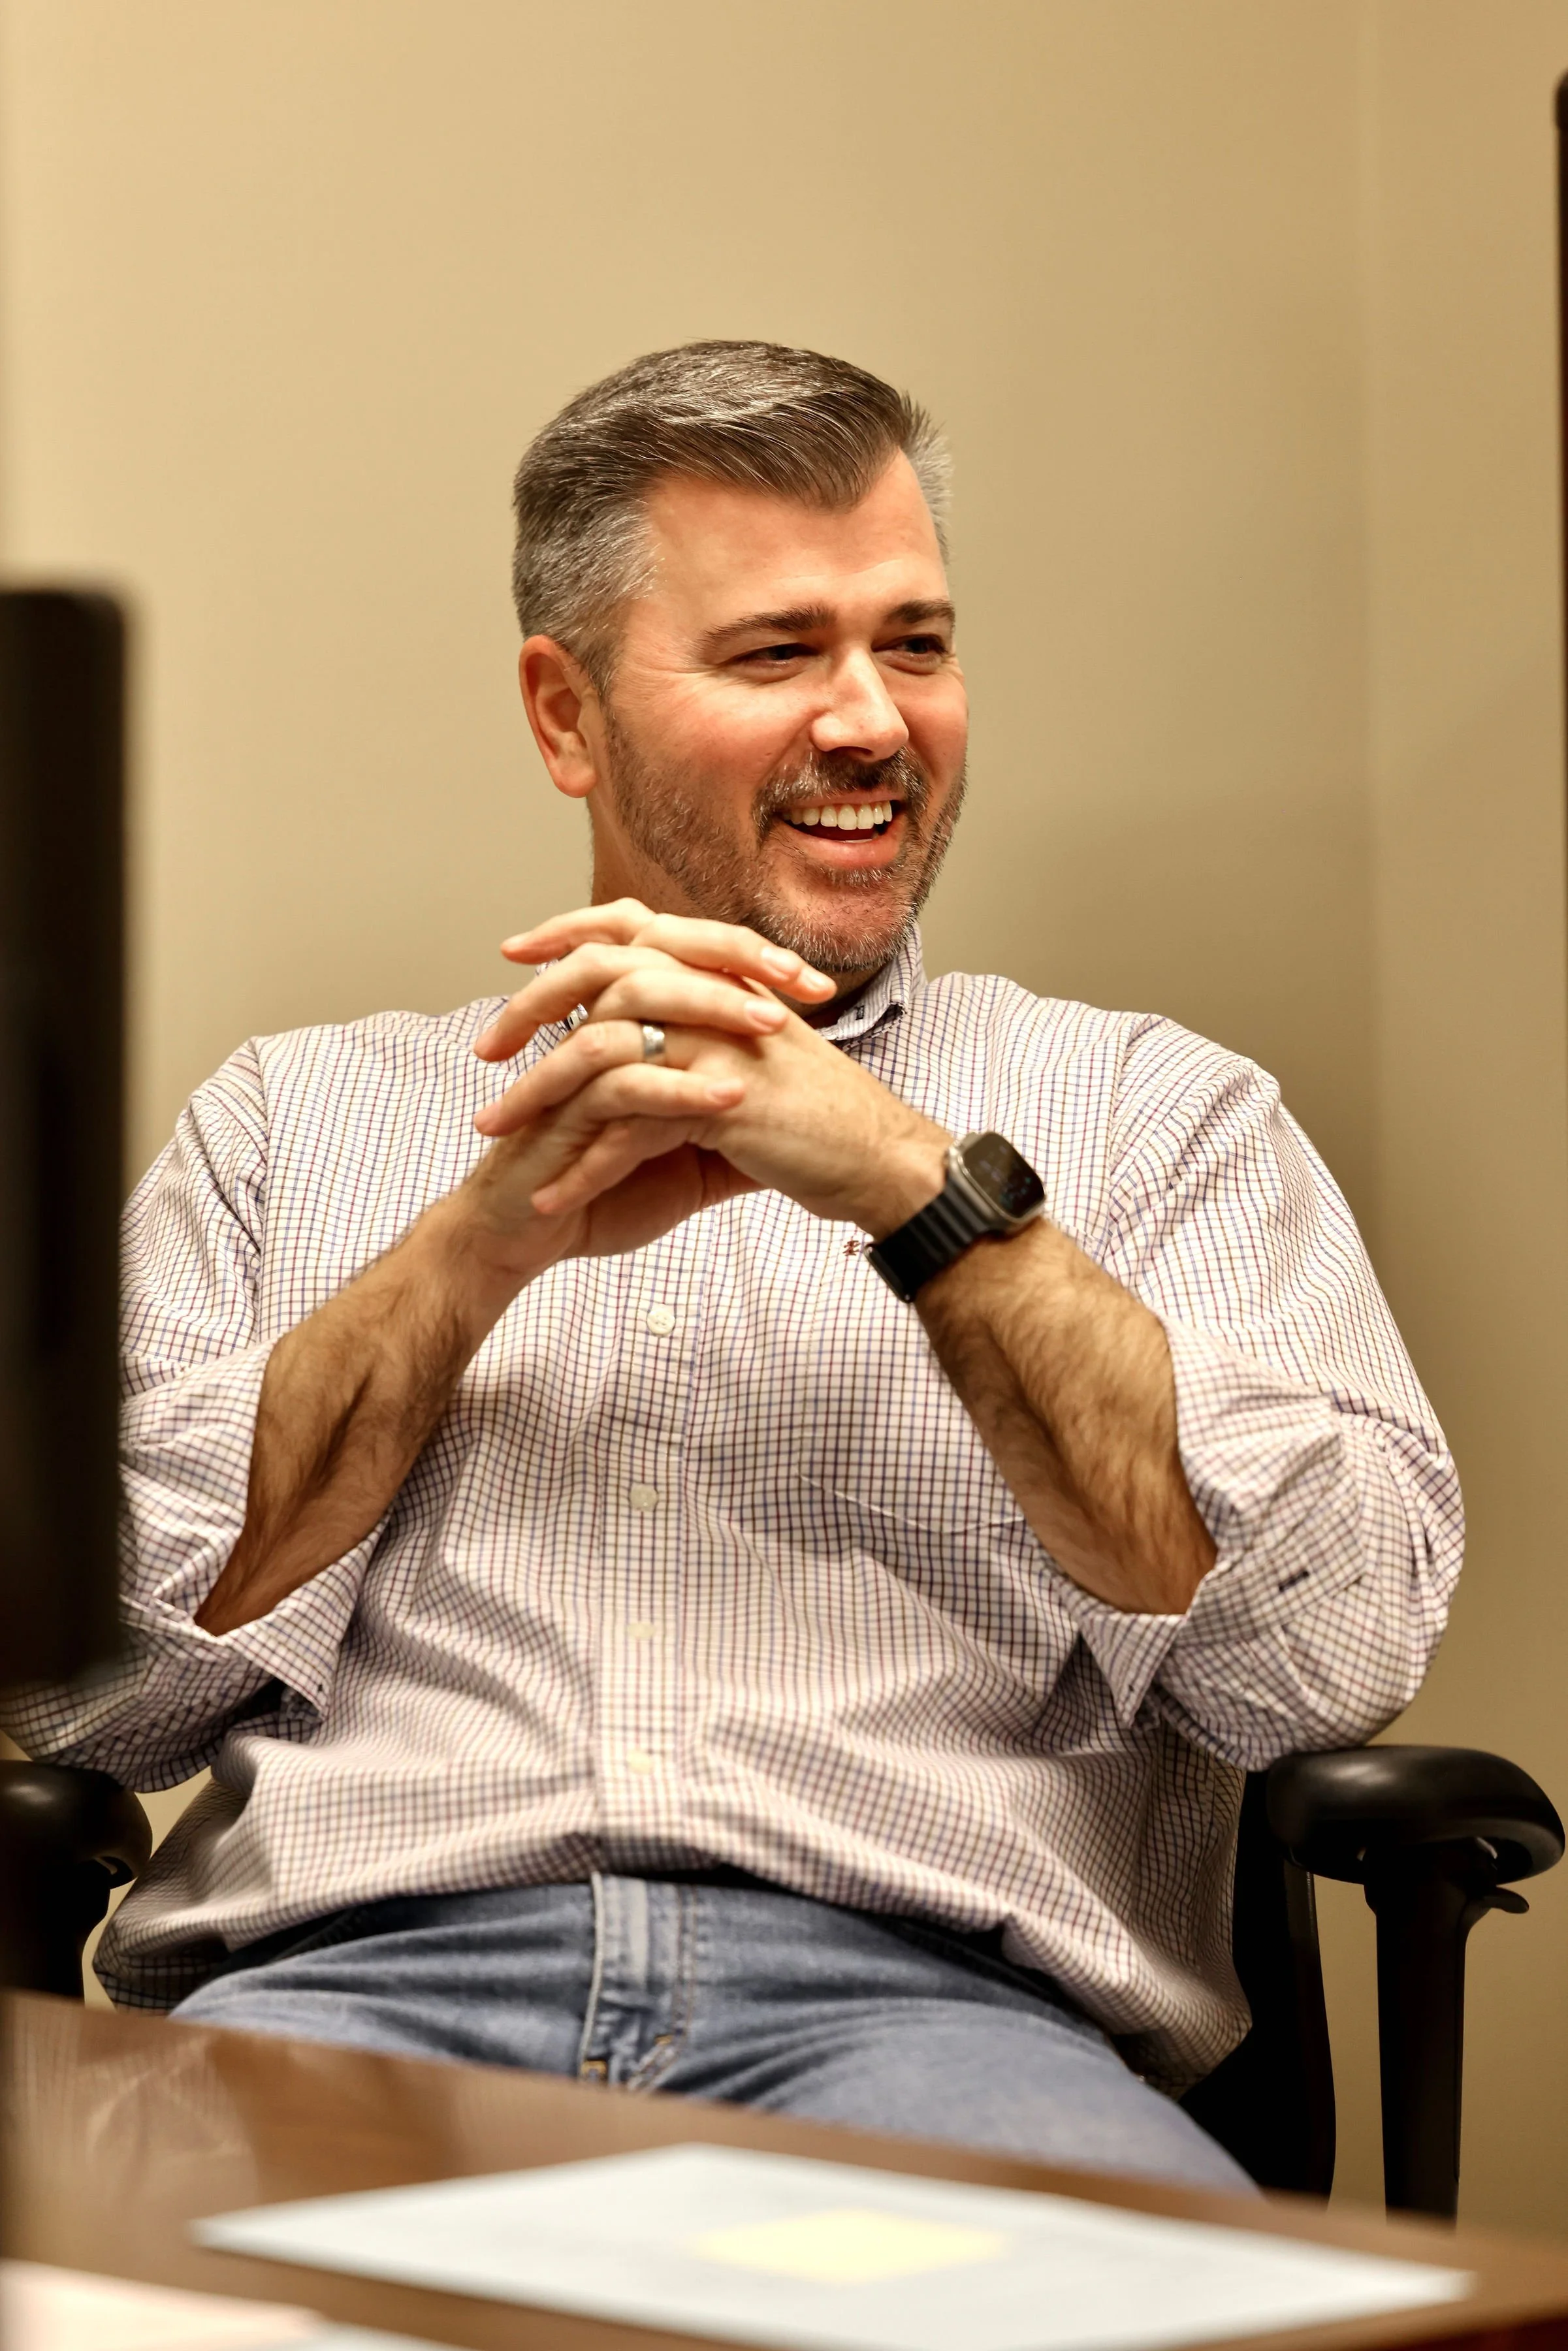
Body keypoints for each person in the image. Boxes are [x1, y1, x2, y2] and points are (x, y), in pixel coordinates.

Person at [7, 342, 1460, 2193]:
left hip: (941, 2023)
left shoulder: (1162, 1113)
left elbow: (1322, 1663)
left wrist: (921, 1194)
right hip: (343, 2007)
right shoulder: (296, 1121)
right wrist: (467, 1258)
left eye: (915, 644)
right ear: (566, 714)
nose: (873, 720)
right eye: (780, 653)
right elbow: (93, 1692)